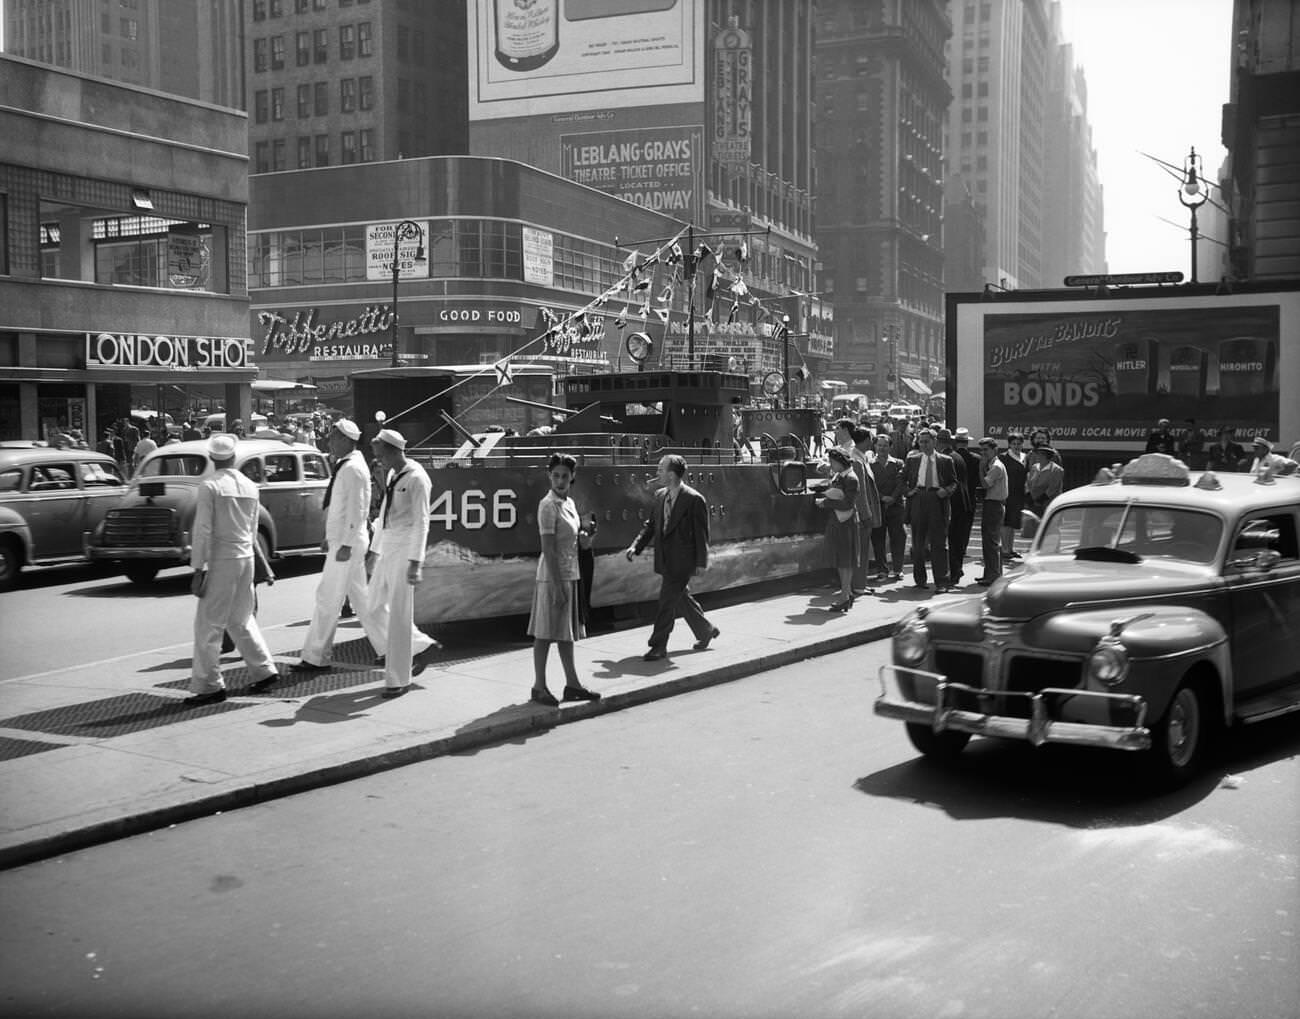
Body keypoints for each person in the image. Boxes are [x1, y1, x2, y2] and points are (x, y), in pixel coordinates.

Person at [185, 433, 279, 705]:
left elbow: (202, 531)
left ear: (212, 458)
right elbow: (251, 532)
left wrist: (198, 569)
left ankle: (209, 685)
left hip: (222, 559)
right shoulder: (250, 486)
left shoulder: (210, 486)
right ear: (234, 456)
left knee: (208, 624)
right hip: (245, 557)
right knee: (241, 618)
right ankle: (264, 670)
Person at [292, 419, 384, 673]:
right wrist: (331, 537)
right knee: (362, 601)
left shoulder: (352, 468)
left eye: (333, 437)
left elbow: (357, 509)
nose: (329, 441)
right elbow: (342, 509)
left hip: (348, 545)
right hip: (346, 542)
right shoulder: (348, 466)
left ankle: (316, 657)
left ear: (345, 439)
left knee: (327, 599)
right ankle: (388, 647)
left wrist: (343, 543)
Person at [626, 454, 718, 661]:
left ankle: (658, 646)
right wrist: (635, 547)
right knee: (680, 598)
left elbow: (702, 533)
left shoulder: (694, 500)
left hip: (683, 561)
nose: (656, 473)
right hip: (665, 558)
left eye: (660, 469)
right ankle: (706, 630)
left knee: (666, 601)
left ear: (671, 474)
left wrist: (701, 563)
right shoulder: (660, 495)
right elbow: (651, 526)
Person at [528, 453, 601, 707]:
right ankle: (539, 687)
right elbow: (547, 548)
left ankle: (572, 685)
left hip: (570, 574)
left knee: (565, 634)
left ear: (572, 478)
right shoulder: (547, 505)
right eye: (556, 475)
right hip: (552, 578)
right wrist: (558, 586)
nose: (560, 480)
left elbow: (568, 539)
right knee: (545, 633)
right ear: (550, 476)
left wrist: (583, 536)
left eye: (565, 476)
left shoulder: (568, 503)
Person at [366, 428, 434, 697]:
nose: (379, 461)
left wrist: (416, 561)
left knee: (399, 616)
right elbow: (384, 515)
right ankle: (420, 646)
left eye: (381, 455)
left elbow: (422, 523)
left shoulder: (417, 479)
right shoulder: (395, 474)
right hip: (389, 546)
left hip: (405, 548)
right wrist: (374, 551)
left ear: (393, 450)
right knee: (372, 607)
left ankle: (397, 679)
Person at [903, 428, 958, 592]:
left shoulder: (946, 460)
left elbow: (954, 482)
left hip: (937, 500)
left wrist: (946, 490)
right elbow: (901, 478)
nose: (924, 445)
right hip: (919, 498)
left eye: (927, 441)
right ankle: (920, 579)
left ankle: (941, 581)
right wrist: (908, 491)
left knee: (938, 544)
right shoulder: (913, 460)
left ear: (934, 442)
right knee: (918, 544)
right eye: (921, 442)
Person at [815, 447, 860, 612]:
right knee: (842, 560)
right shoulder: (842, 476)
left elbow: (848, 503)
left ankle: (844, 596)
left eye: (833, 462)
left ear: (841, 462)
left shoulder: (851, 478)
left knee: (845, 560)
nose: (831, 465)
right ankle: (846, 594)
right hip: (839, 521)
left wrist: (826, 503)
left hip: (845, 522)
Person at [937, 428, 975, 585]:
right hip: (964, 502)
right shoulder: (957, 456)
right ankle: (956, 569)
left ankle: (953, 572)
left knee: (952, 540)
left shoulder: (946, 458)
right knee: (958, 540)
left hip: (953, 503)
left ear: (939, 442)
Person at [849, 425, 881, 594]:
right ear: (866, 440)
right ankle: (858, 585)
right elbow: (859, 492)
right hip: (862, 514)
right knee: (860, 549)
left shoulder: (862, 457)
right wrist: (866, 514)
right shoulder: (856, 460)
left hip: (865, 511)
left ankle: (861, 582)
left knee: (863, 548)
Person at [870, 432, 906, 581]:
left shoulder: (898, 463)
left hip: (896, 505)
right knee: (878, 538)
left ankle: (898, 569)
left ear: (890, 447)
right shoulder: (870, 464)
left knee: (898, 537)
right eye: (879, 445)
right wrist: (881, 497)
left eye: (885, 445)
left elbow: (901, 482)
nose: (882, 448)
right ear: (875, 446)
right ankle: (882, 570)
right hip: (878, 506)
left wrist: (893, 497)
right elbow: (870, 486)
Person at [975, 437, 1008, 584]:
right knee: (988, 540)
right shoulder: (992, 464)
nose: (983, 453)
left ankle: (993, 575)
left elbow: (985, 484)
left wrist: (980, 468)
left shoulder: (996, 466)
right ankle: (990, 573)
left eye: (986, 450)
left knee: (991, 541)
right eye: (981, 450)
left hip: (994, 504)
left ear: (995, 450)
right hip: (991, 504)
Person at [999, 431, 1029, 561]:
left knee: (1013, 522)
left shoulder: (1025, 457)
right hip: (1007, 493)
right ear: (1009, 444)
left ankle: (1010, 549)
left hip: (1019, 494)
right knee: (1006, 522)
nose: (1016, 446)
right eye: (1014, 443)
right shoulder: (1003, 457)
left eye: (1019, 443)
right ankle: (1004, 549)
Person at [1026, 445, 1064, 515]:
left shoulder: (1057, 470)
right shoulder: (1034, 467)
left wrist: (1040, 500)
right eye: (1037, 454)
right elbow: (1029, 483)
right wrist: (1029, 495)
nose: (1037, 456)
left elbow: (1053, 488)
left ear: (1047, 456)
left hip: (1048, 505)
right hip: (1033, 504)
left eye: (1040, 454)